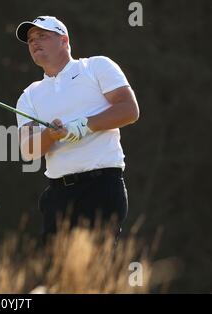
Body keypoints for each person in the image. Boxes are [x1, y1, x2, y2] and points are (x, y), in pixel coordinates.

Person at [15, 16, 139, 243]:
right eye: (31, 39)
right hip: (58, 195)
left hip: (101, 186)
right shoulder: (29, 95)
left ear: (64, 40)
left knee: (96, 271)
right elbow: (28, 150)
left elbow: (129, 110)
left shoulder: (95, 67)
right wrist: (49, 135)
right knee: (55, 275)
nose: (34, 43)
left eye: (42, 36)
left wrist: (83, 125)